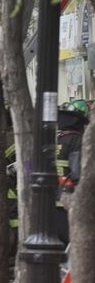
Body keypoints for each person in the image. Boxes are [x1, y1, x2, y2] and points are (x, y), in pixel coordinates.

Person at [56, 99, 89, 245]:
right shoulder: (77, 142)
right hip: (68, 202)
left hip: (49, 203)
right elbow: (77, 174)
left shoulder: (57, 140)